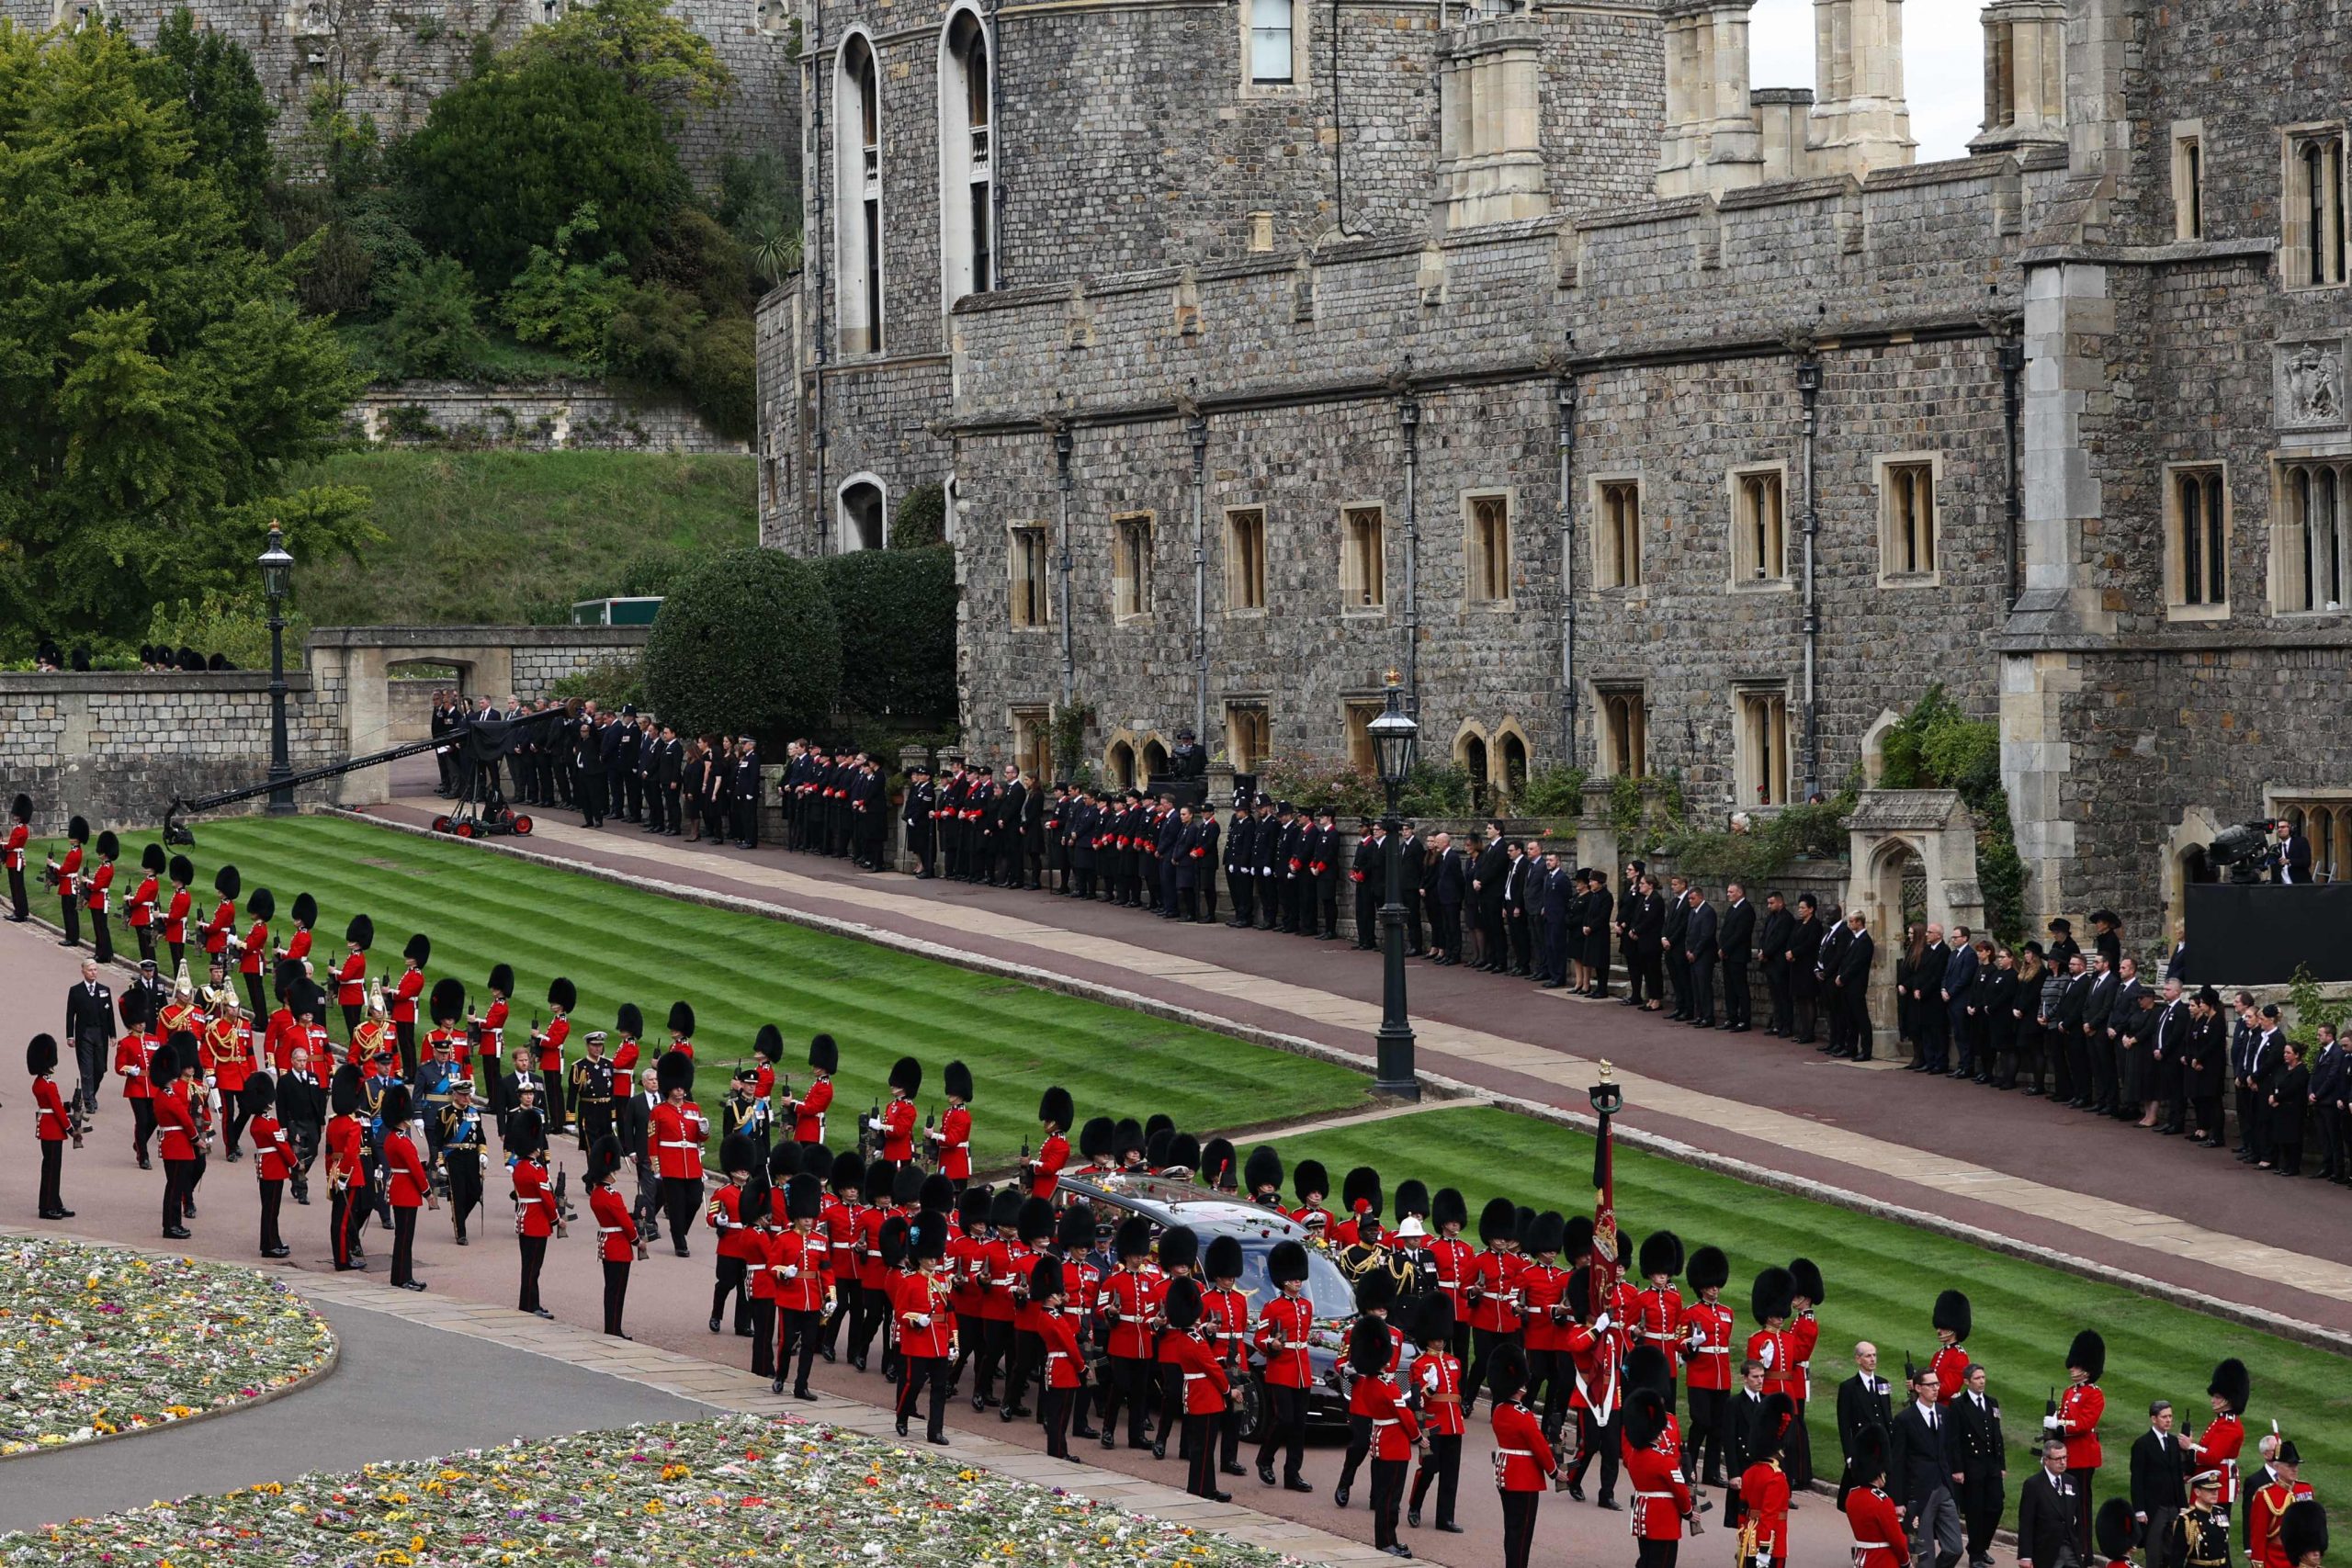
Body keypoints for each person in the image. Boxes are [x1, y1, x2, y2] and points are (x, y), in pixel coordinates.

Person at [1254, 1237, 1317, 1492]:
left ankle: (1293, 1474)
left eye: (1299, 1278)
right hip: (1281, 1369)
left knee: (1299, 1424)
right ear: (1283, 1280)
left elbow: (1303, 1335)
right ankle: (1265, 1459)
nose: (1297, 1282)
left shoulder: (1306, 1306)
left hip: (1302, 1369)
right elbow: (1259, 1338)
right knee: (1284, 1419)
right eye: (1292, 1278)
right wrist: (1271, 1345)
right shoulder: (1272, 1307)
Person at [1489, 1343, 1557, 1568]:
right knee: (1523, 1531)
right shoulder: (1523, 1415)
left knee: (1512, 1528)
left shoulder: (1499, 1411)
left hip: (1505, 1474)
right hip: (1523, 1478)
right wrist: (1555, 1471)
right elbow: (1538, 1447)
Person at [1894, 1364, 1965, 1568]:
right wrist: (1898, 1500)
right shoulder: (1904, 1420)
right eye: (1930, 1385)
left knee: (1954, 1548)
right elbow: (1897, 1461)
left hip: (1943, 1487)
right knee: (1923, 1554)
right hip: (1919, 1492)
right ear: (1918, 1388)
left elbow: (1951, 1447)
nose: (1936, 1388)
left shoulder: (1944, 1413)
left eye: (1937, 1384)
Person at [893, 1212, 954, 1443]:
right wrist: (916, 1319)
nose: (933, 1261)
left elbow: (950, 1314)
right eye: (928, 1257)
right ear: (919, 1257)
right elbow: (900, 1313)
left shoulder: (943, 1282)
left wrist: (953, 1342)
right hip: (918, 1341)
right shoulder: (908, 1282)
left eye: (935, 1257)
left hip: (939, 1341)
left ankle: (935, 1431)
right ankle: (902, 1416)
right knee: (914, 1383)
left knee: (939, 1388)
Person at [1623, 1374, 1696, 1568]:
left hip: (1643, 1514)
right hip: (1664, 1519)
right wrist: (1689, 1512)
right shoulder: (1664, 1462)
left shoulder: (1635, 1458)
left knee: (1646, 1561)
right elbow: (1680, 1492)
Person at [2049, 1331, 2109, 1558]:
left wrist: (2060, 1424)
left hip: (2083, 1458)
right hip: (2066, 1456)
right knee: (2065, 1504)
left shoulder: (2094, 1394)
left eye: (2076, 1366)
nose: (2071, 1369)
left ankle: (2084, 1552)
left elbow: (2085, 1423)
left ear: (2087, 1368)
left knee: (2081, 1506)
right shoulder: (2068, 1392)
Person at [651, 1051, 709, 1257]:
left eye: (682, 1087)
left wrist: (704, 1130)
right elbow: (652, 1141)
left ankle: (679, 1231)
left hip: (691, 1163)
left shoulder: (694, 1108)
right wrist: (656, 1167)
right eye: (676, 1087)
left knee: (694, 1200)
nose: (680, 1091)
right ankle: (680, 1243)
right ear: (669, 1087)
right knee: (676, 1204)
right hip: (670, 1163)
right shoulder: (659, 1111)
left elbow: (701, 1138)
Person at [1952, 1363, 2008, 1568]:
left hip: (1991, 1465)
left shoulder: (1992, 1403)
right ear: (1967, 1381)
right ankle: (1975, 1555)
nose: (1982, 1381)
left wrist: (2001, 1464)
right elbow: (1955, 1440)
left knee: (1996, 1506)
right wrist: (1957, 1468)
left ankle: (1981, 1546)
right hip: (1971, 1465)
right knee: (1975, 1511)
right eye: (1977, 1378)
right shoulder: (1959, 1405)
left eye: (1983, 1377)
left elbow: (1997, 1436)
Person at [380, 1083, 435, 1291]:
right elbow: (415, 1171)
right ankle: (403, 1278)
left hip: (400, 1188)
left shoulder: (392, 1138)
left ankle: (400, 1276)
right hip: (406, 1191)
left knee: (402, 1237)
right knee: (405, 1237)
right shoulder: (402, 1141)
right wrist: (428, 1192)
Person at [1736, 1392, 1797, 1568]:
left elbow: (1742, 1510)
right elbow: (1769, 1516)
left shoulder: (1750, 1472)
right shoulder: (1776, 1477)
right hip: (1770, 1545)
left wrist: (1742, 1540)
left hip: (1748, 1538)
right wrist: (1764, 1550)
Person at [510, 1109, 560, 1318]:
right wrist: (556, 1219)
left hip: (524, 1219)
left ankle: (528, 1303)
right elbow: (547, 1198)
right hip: (537, 1221)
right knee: (533, 1268)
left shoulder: (520, 1166)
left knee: (528, 1267)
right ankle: (531, 1305)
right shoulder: (536, 1169)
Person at [2135, 1400, 2193, 1568]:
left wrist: (2183, 1505)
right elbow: (2137, 1479)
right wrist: (2139, 1509)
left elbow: (2181, 1474)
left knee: (2174, 1553)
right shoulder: (2142, 1444)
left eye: (2170, 1416)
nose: (2168, 1420)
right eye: (2164, 1417)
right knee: (2154, 1554)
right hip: (2154, 1508)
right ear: (2154, 1419)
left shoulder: (2175, 1442)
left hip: (2173, 1507)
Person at [29, 1032, 79, 1219]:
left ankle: (54, 1202)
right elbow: (57, 1110)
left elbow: (54, 1105)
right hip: (53, 1130)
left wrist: (68, 1105)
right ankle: (47, 1206)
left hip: (48, 1127)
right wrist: (71, 1129)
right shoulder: (49, 1085)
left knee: (51, 1168)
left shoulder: (39, 1083)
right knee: (51, 1169)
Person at [246, 1077, 295, 1257]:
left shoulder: (256, 1122)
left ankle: (274, 1240)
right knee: (272, 1209)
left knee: (270, 1208)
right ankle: (269, 1245)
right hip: (274, 1168)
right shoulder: (269, 1123)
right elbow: (282, 1146)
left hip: (265, 1166)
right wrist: (295, 1163)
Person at [2018, 1438, 2085, 1568]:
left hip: (2071, 1550)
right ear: (2046, 1460)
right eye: (2058, 1459)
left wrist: (2081, 1548)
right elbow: (2026, 1522)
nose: (2063, 1462)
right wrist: (2025, 1556)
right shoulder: (2033, 1485)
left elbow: (2078, 1518)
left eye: (2065, 1458)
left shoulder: (2071, 1481)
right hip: (2046, 1551)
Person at [64, 958, 116, 1122]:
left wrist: (113, 1034)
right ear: (83, 972)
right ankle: (89, 1101)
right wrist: (70, 1035)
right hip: (84, 1033)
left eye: (95, 970)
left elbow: (110, 1015)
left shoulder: (104, 990)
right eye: (90, 970)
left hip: (100, 1033)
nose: (94, 972)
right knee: (86, 1069)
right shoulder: (76, 991)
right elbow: (70, 1015)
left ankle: (90, 1093)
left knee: (100, 1068)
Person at [1840, 1341, 1896, 1464]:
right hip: (1863, 1446)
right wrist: (1849, 1455)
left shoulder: (1883, 1383)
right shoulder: (1848, 1387)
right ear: (1858, 1359)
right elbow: (1844, 1425)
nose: (1873, 1359)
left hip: (1884, 1445)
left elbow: (1887, 1414)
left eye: (1874, 1355)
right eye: (1868, 1356)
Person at [2165, 1472, 2234, 1568]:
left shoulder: (2220, 1512)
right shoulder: (2187, 1519)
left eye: (2216, 1489)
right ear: (2197, 1492)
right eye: (2210, 1490)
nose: (2215, 1493)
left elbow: (2224, 1549)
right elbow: (2177, 1557)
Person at [5, 794, 30, 922]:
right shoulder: (22, 828)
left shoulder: (19, 830)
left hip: (15, 861)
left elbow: (11, 845)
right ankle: (21, 911)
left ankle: (19, 913)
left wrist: (2, 845)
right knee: (18, 887)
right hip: (16, 859)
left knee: (16, 888)